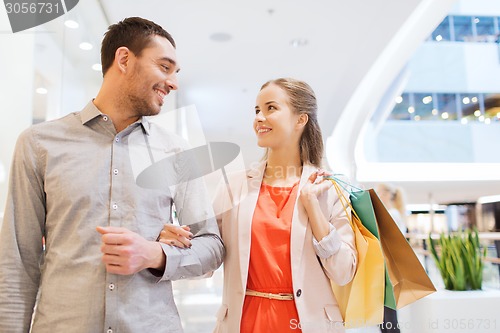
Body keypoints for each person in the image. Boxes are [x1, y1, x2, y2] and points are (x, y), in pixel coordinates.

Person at [0, 17, 224, 333]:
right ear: (123, 59)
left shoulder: (176, 153)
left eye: (175, 73)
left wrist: (154, 253)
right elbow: (17, 263)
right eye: (164, 67)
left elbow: (211, 246)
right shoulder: (38, 144)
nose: (173, 83)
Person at [163, 78, 357, 332]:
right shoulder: (234, 186)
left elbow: (344, 272)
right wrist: (176, 242)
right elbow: (206, 258)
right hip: (246, 322)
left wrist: (313, 208)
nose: (259, 118)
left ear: (301, 119)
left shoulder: (328, 189)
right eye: (257, 110)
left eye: (271, 108)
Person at [376, 183, 408, 333]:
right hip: (386, 266)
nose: (378, 195)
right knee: (385, 310)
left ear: (388, 195)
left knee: (389, 310)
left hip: (389, 267)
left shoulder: (393, 214)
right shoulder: (392, 213)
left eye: (380, 192)